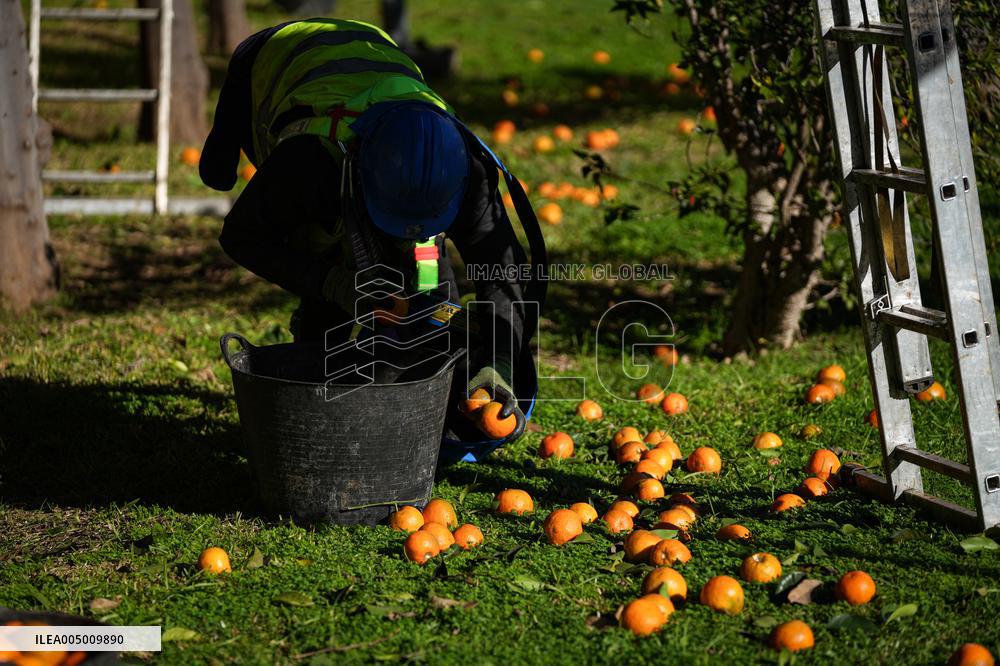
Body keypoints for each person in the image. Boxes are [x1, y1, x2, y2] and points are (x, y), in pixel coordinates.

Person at [199, 18, 545, 458]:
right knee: (254, 195)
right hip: (272, 57)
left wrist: (497, 362)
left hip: (375, 54)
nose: (409, 237)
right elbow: (242, 236)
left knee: (425, 292)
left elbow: (504, 271)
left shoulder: (467, 169)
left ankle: (430, 392)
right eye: (397, 223)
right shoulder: (310, 162)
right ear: (358, 179)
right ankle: (318, 385)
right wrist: (333, 284)